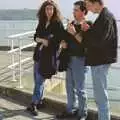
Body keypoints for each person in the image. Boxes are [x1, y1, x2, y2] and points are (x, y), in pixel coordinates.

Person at [26, 0, 65, 116]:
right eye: (47, 9)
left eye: (51, 9)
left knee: (39, 80)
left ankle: (33, 104)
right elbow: (35, 37)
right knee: (37, 79)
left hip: (48, 57)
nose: (49, 11)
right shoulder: (42, 21)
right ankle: (40, 101)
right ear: (44, 10)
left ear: (54, 10)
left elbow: (59, 39)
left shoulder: (57, 23)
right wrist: (43, 40)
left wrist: (48, 40)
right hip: (38, 55)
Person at [83, 0, 118, 120]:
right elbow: (100, 37)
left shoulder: (105, 18)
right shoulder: (104, 17)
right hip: (100, 61)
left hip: (100, 61)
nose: (87, 7)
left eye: (88, 4)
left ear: (96, 3)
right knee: (100, 96)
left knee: (101, 97)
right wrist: (90, 29)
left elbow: (99, 41)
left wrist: (88, 31)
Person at [56, 1, 88, 120]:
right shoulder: (71, 24)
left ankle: (82, 114)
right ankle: (70, 110)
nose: (73, 12)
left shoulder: (87, 24)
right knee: (69, 87)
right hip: (68, 58)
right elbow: (64, 39)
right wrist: (63, 42)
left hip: (80, 59)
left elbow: (86, 45)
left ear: (83, 11)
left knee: (80, 89)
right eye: (73, 10)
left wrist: (74, 32)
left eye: (76, 10)